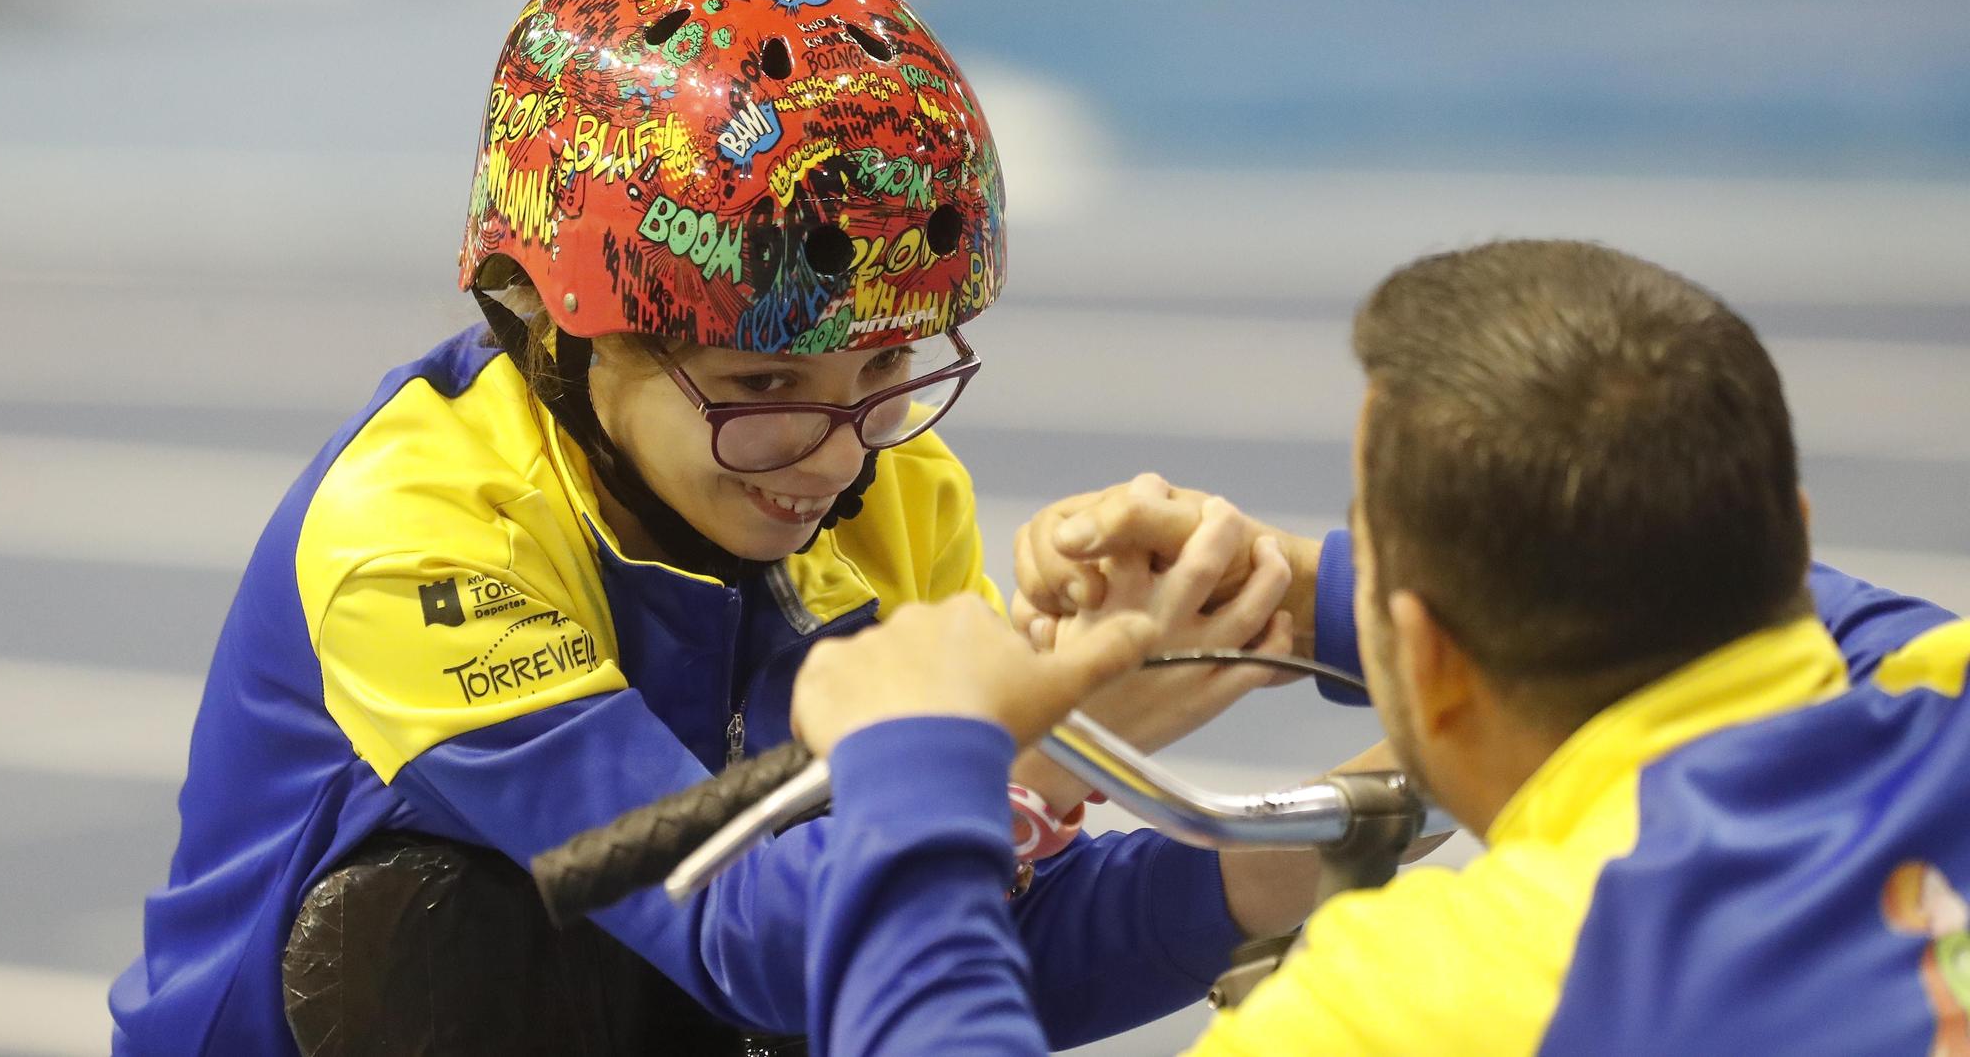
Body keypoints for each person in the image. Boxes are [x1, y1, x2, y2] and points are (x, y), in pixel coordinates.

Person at [107, 0, 1346, 1056]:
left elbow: (947, 942)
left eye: (884, 366)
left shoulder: (896, 483)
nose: (835, 449)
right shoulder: (425, 538)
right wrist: (1031, 761)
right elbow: (734, 932)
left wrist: (1316, 841)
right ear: (557, 322)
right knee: (447, 926)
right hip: (449, 1002)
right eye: (761, 387)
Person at [787, 238, 1970, 1055]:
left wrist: (915, 789)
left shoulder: (1439, 1003)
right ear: (1793, 529)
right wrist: (1309, 589)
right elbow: (1809, 608)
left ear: (1430, 658)